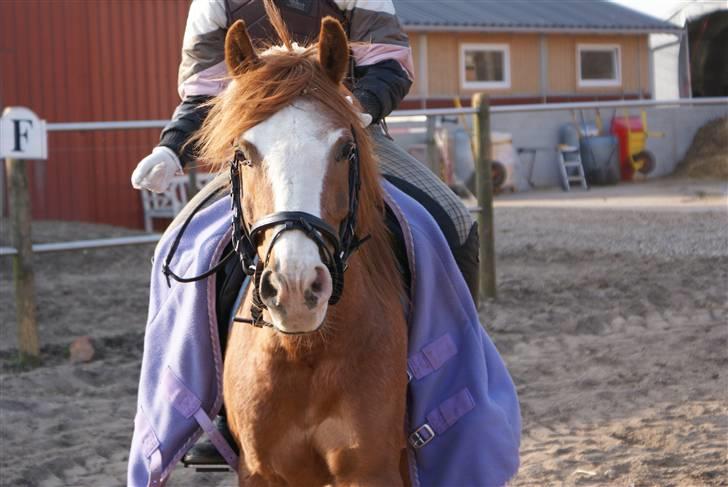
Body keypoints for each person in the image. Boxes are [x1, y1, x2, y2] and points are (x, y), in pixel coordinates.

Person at [130, 0, 479, 465]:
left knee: (453, 221)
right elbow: (204, 91)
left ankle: (445, 381)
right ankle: (213, 403)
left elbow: (388, 65)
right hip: (262, 142)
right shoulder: (212, 3)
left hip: (346, 131)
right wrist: (172, 148)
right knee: (177, 250)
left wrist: (350, 107)